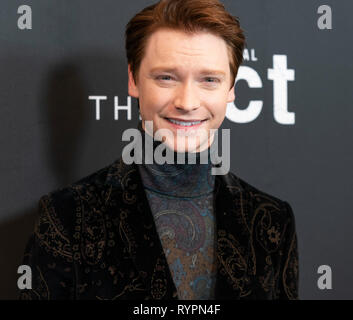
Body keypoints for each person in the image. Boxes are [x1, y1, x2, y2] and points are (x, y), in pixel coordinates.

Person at [19, 0, 299, 300]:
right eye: (166, 77)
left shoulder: (271, 220)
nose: (187, 102)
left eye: (209, 80)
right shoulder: (68, 216)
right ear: (133, 79)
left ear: (230, 88)